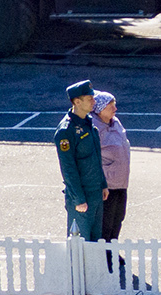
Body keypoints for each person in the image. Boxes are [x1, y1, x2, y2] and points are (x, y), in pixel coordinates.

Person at [55, 80, 106, 241]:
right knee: (80, 244)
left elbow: (96, 157)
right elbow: (68, 167)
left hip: (95, 192)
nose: (94, 101)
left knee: (96, 241)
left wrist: (103, 184)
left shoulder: (88, 123)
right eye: (90, 98)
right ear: (77, 102)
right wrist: (78, 199)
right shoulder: (66, 131)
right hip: (82, 195)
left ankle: (95, 268)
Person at [90, 90, 130, 241]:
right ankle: (104, 253)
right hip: (107, 185)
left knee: (118, 219)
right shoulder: (94, 127)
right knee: (105, 222)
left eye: (115, 105)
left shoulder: (116, 122)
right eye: (110, 106)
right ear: (100, 109)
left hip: (121, 182)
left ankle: (113, 249)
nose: (115, 109)